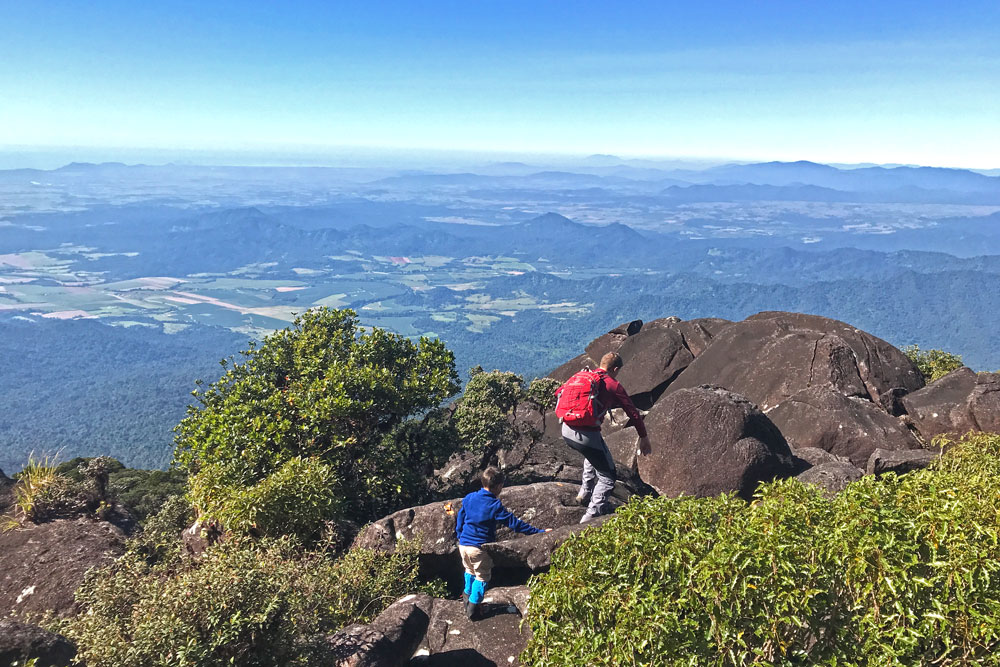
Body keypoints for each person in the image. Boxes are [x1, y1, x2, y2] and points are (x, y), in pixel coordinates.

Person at [558, 351, 650, 522]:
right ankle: (589, 518)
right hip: (586, 436)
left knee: (594, 452)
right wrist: (644, 437)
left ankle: (584, 493)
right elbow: (633, 413)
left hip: (566, 428)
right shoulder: (612, 384)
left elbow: (560, 394)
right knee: (608, 477)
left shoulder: (584, 376)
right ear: (615, 369)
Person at [455, 467, 549, 619]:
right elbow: (514, 524)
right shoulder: (494, 505)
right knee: (482, 577)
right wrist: (539, 532)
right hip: (479, 548)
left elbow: (460, 518)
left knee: (469, 571)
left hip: (463, 545)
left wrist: (460, 535)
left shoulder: (469, 497)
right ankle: (473, 610)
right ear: (498, 486)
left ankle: (466, 599)